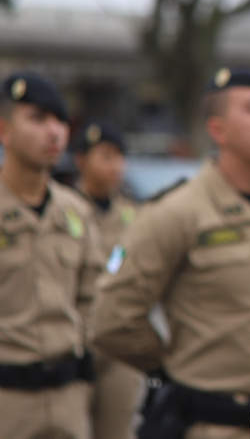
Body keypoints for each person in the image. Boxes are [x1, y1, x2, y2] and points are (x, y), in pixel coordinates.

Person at [91, 67, 250, 439]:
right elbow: (112, 319)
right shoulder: (175, 212)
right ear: (218, 130)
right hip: (210, 423)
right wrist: (174, 368)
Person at [0, 73, 104, 439]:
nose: (55, 132)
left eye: (60, 121)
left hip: (68, 400)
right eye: (38, 118)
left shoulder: (76, 212)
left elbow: (94, 302)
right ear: (4, 130)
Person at [72, 119, 145, 439]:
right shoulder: (66, 211)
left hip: (117, 346)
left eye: (119, 157)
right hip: (74, 342)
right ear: (81, 161)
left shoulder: (133, 216)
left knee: (117, 429)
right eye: (105, 156)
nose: (116, 165)